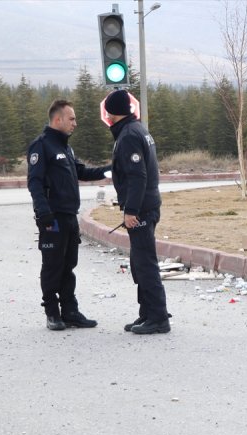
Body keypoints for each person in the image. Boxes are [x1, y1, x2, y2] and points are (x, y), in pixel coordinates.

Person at [27, 99, 110, 331]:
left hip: (69, 216)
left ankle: (70, 312)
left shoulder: (65, 147)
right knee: (52, 266)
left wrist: (111, 168)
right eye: (71, 119)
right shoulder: (41, 146)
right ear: (58, 119)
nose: (75, 123)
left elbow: (82, 172)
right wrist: (43, 212)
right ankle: (52, 313)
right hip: (52, 218)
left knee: (68, 266)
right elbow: (34, 182)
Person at [104, 89, 171, 335]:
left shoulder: (129, 135)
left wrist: (131, 210)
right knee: (139, 262)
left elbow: (137, 175)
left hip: (142, 209)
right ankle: (147, 313)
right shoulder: (137, 129)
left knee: (145, 263)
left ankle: (158, 318)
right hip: (148, 204)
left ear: (112, 113)